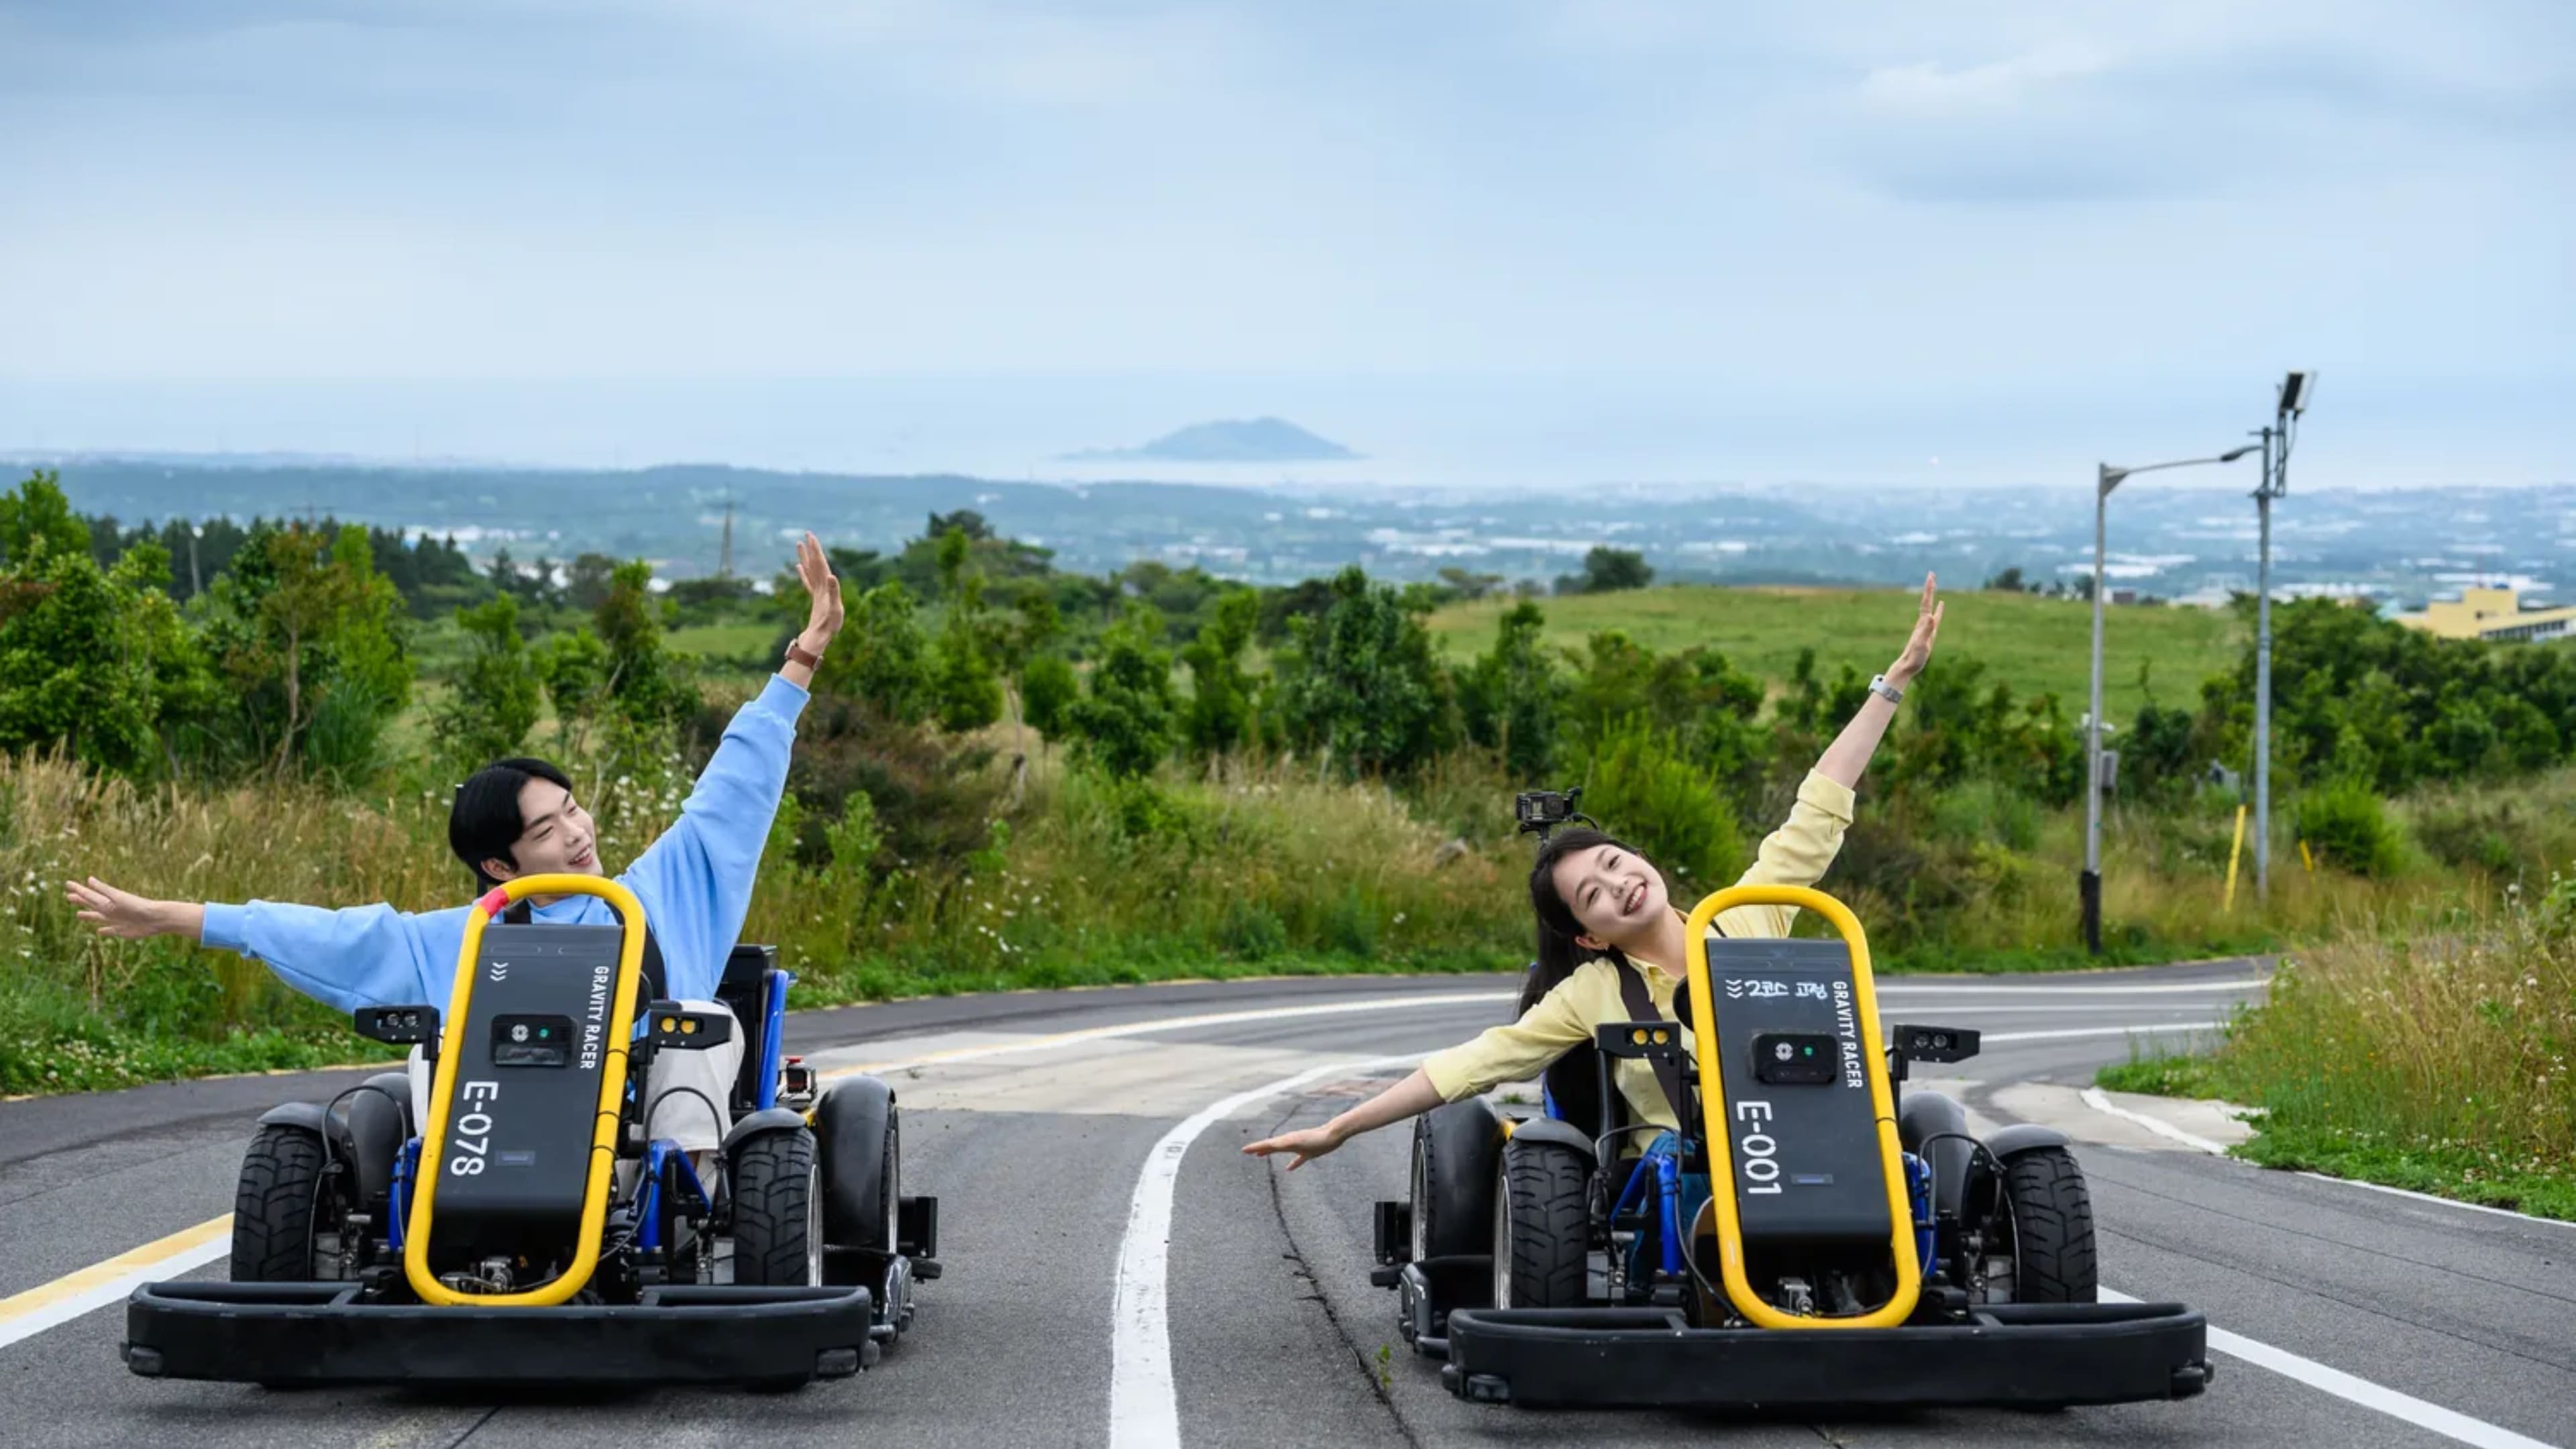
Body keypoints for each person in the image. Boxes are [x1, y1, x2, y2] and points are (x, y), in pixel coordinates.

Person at [64, 531, 847, 1162]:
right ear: (499, 868)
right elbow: (327, 933)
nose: (577, 835)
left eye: (572, 812)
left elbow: (733, 791)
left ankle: (687, 1207)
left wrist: (804, 653)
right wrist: (171, 916)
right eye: (547, 830)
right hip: (500, 1136)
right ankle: (438, 1216)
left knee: (701, 1019)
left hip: (646, 1153)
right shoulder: (469, 939)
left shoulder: (664, 893)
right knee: (426, 1052)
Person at [1243, 574, 1944, 1199]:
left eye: (1614, 864)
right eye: (1593, 896)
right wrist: (1340, 1127)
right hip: (1679, 1185)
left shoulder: (1749, 919)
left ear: (1639, 858)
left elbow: (1820, 804)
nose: (1618, 886)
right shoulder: (1591, 994)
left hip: (1814, 1150)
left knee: (1932, 1154)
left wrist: (1896, 680)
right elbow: (1471, 1067)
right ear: (1588, 934)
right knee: (1672, 1158)